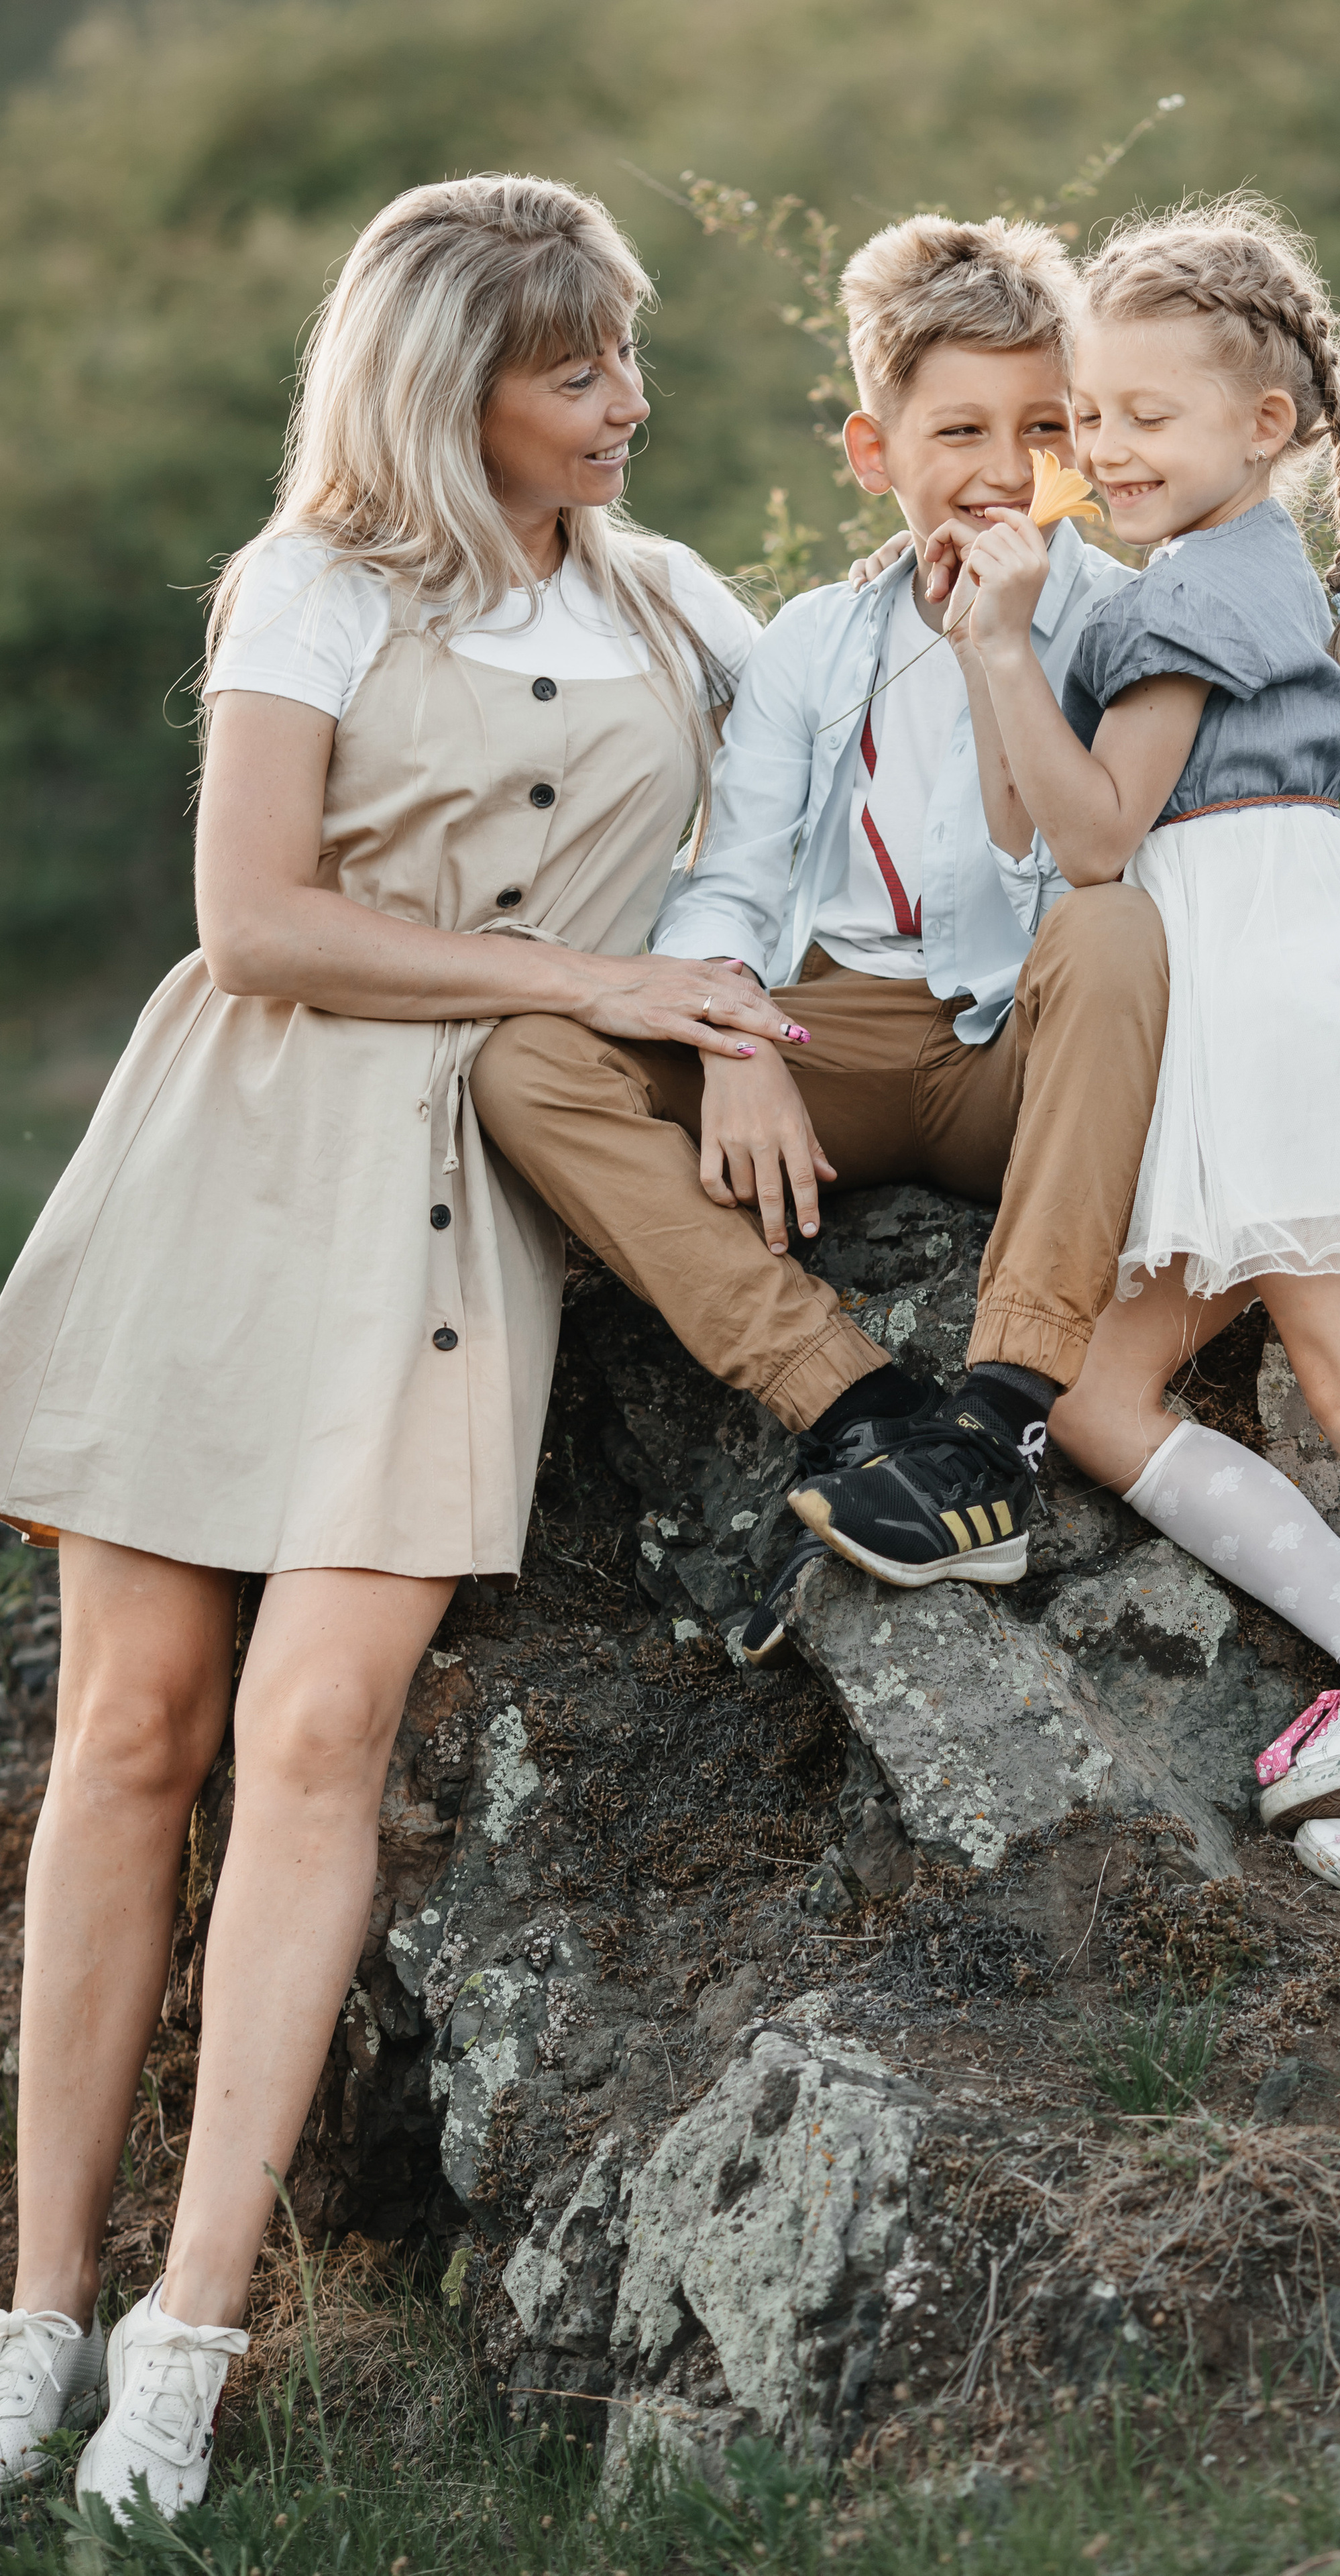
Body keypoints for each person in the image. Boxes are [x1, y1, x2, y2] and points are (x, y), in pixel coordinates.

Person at [0, 174, 788, 2518]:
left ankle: (192, 2333)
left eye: (625, 356)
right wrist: (611, 985)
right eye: (580, 371)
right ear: (451, 392)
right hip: (229, 1178)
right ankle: (34, 2301)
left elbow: (799, 846)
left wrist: (733, 1014)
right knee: (131, 1730)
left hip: (462, 1221)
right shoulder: (315, 582)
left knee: (318, 1729)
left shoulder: (677, 603)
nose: (630, 401)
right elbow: (256, 921)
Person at [796, 198, 1340, 1909]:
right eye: (1090, 418)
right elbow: (1019, 809)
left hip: (1272, 1004)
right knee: (1087, 1390)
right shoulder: (1156, 588)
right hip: (1222, 1010)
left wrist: (1009, 650)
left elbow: (1085, 845)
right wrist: (987, 640)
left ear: (1262, 428)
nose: (1102, 450)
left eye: (1145, 417)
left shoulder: (1212, 589)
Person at [472, 214, 1168, 1663]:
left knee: (1111, 934)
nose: (998, 469)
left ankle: (998, 1411)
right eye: (957, 429)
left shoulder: (1117, 619)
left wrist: (1006, 645)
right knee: (528, 1066)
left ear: (1083, 447)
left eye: (1042, 429)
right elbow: (727, 877)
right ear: (874, 453)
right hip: (835, 1025)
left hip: (1020, 1051)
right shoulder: (808, 638)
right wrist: (734, 1034)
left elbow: (1074, 867)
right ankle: (855, 1402)